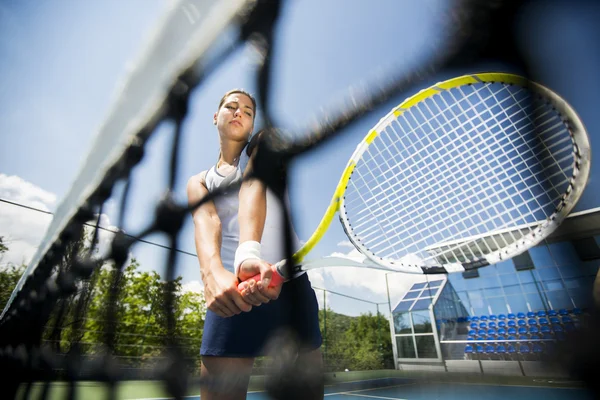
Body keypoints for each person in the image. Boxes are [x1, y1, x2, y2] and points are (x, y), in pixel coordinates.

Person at [187, 89, 323, 399]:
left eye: (247, 111)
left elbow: (253, 185)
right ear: (215, 116)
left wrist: (248, 253)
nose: (238, 113)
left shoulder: (266, 143)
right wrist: (213, 275)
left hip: (292, 290)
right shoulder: (200, 181)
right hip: (236, 294)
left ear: (252, 124)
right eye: (231, 107)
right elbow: (207, 222)